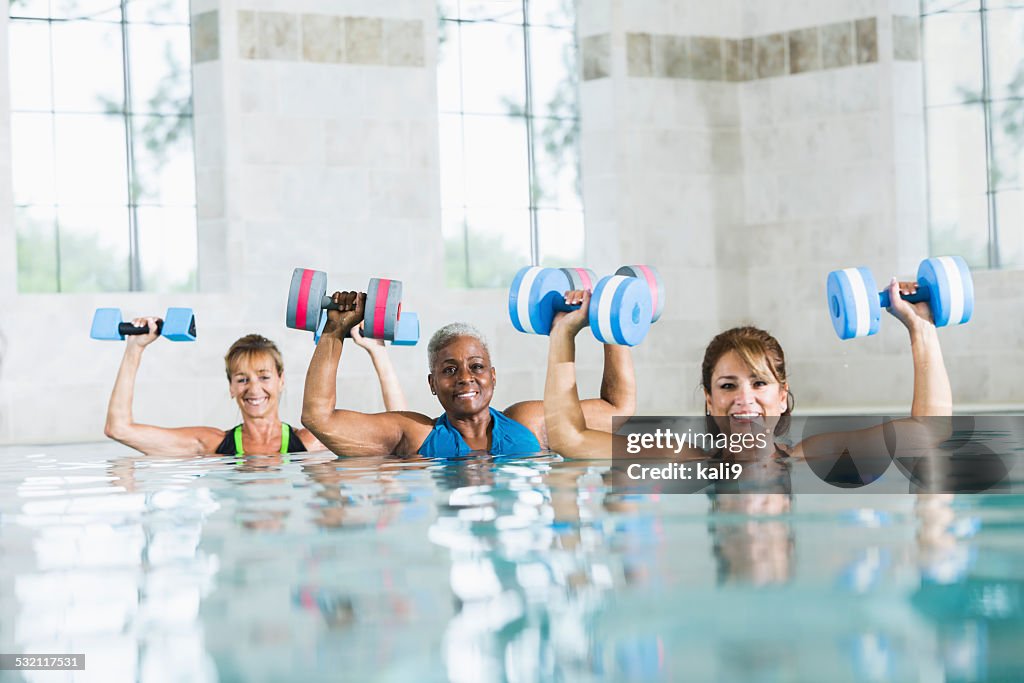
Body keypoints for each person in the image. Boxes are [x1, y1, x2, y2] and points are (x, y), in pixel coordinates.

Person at [544, 277, 953, 460]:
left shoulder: (812, 457)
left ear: (782, 394)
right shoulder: (682, 459)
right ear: (708, 398)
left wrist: (921, 328)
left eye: (759, 382)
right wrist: (564, 333)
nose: (744, 398)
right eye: (727, 385)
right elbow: (570, 440)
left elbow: (928, 434)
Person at [301, 290, 636, 457]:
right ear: (432, 384)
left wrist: (609, 318)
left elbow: (617, 410)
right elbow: (319, 419)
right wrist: (334, 330)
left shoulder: (530, 422)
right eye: (449, 370)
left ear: (492, 375)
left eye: (476, 367)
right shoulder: (414, 434)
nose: (465, 377)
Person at [104, 317, 407, 456]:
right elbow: (119, 429)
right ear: (231, 387)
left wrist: (377, 352)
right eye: (242, 379)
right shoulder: (210, 444)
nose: (254, 389)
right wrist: (135, 349)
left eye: (263, 377)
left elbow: (401, 433)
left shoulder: (312, 442)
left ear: (281, 380)